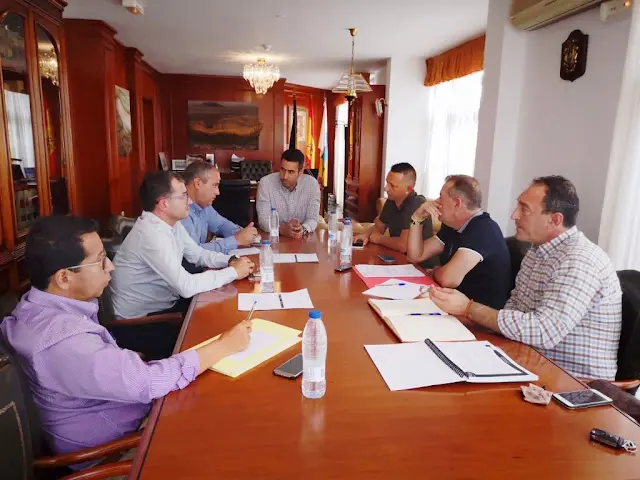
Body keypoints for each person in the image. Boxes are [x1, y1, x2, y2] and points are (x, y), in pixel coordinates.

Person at [0, 215, 252, 466]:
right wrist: (223, 346)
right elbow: (147, 382)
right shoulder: (64, 341)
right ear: (64, 278)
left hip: (123, 413)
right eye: (100, 261)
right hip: (114, 454)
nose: (111, 267)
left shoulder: (31, 307)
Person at [429, 176, 622, 380]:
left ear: (554, 220)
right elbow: (514, 308)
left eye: (525, 209)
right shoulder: (536, 251)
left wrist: (468, 308)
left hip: (572, 381)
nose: (514, 215)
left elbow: (544, 331)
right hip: (529, 360)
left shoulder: (579, 260)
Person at [110, 171, 255, 320]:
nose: (190, 202)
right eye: (184, 196)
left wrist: (230, 260)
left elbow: (197, 254)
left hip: (167, 304)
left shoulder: (172, 223)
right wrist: (233, 272)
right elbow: (186, 286)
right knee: (222, 316)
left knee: (225, 306)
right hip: (142, 320)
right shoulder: (151, 234)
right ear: (164, 203)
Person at [407, 175, 511, 309]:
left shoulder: (483, 229)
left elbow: (448, 279)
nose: (436, 202)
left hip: (477, 314)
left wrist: (435, 271)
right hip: (454, 304)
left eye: (441, 197)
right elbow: (415, 255)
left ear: (457, 203)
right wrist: (417, 217)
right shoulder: (452, 226)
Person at [354, 163, 433, 253]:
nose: (386, 188)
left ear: (409, 189)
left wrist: (379, 239)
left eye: (392, 185)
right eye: (387, 182)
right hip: (397, 256)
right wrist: (366, 235)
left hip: (419, 261)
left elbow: (403, 246)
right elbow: (379, 227)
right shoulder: (392, 200)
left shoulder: (417, 203)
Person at [181, 161, 258, 254]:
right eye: (215, 185)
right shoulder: (180, 210)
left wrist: (243, 233)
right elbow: (194, 252)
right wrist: (236, 240)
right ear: (198, 183)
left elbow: (221, 225)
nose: (218, 192)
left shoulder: (204, 206)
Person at [256, 149, 321, 239]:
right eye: (283, 169)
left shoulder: (311, 185)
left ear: (301, 172)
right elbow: (263, 220)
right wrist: (282, 230)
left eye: (291, 172)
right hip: (274, 238)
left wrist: (302, 229)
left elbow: (313, 218)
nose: (285, 176)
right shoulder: (266, 183)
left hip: (300, 239)